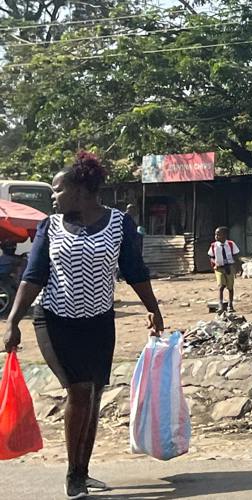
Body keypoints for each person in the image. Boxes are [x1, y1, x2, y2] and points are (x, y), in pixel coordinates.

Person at [3, 152, 163, 499]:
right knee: (78, 391)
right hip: (55, 321)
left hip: (99, 323)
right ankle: (72, 478)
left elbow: (135, 271)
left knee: (94, 395)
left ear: (80, 190)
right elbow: (33, 277)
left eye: (58, 191)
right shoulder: (50, 226)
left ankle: (83, 471)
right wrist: (14, 320)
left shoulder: (120, 224)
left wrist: (153, 309)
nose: (53, 198)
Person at [208, 226, 240, 312]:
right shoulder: (214, 245)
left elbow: (236, 256)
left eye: (218, 235)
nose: (216, 236)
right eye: (215, 235)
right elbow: (211, 256)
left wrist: (238, 267)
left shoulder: (230, 244)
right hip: (219, 268)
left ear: (225, 235)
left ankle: (230, 305)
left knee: (230, 287)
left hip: (229, 267)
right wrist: (215, 262)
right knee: (221, 286)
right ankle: (221, 305)